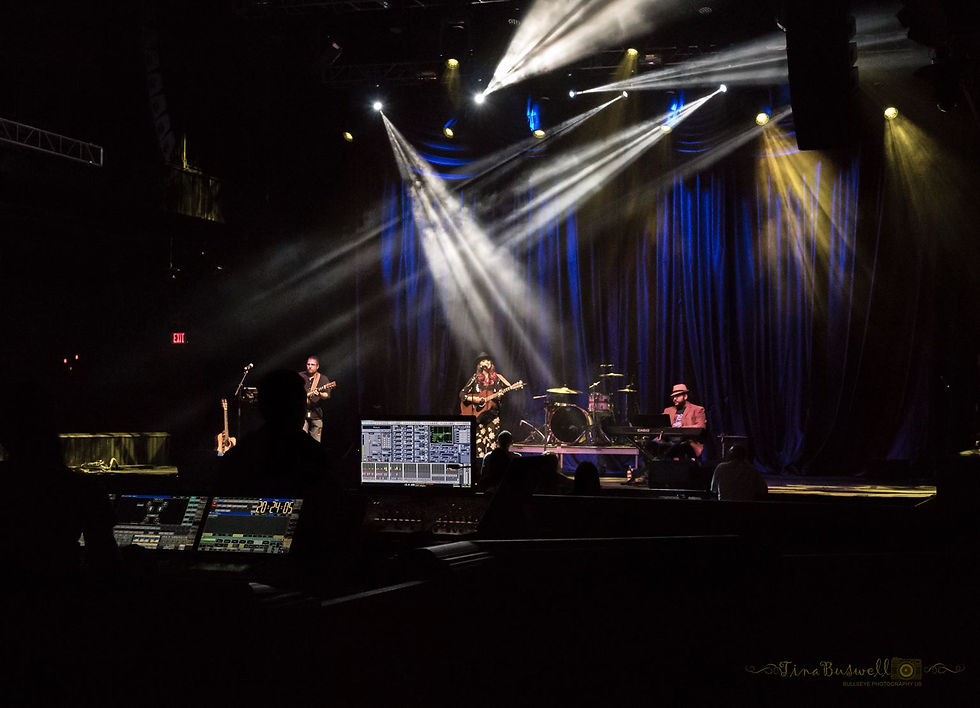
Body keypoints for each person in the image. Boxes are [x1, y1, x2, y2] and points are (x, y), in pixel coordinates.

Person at [460, 353, 515, 458]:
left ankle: (491, 464)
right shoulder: (475, 378)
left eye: (488, 361)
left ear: (491, 363)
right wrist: (475, 399)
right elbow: (462, 394)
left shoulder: (498, 378)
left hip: (492, 416)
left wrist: (500, 395)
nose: (486, 363)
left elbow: (501, 397)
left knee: (491, 444)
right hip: (479, 417)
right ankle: (480, 465)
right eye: (483, 361)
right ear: (479, 365)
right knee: (479, 444)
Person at [660, 383, 707, 460]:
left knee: (680, 446)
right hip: (669, 440)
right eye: (673, 397)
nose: (674, 399)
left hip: (686, 441)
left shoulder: (697, 409)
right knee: (652, 444)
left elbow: (701, 426)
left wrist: (681, 428)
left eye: (677, 396)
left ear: (685, 396)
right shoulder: (668, 410)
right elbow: (661, 425)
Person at [299, 355, 333, 443]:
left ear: (317, 366)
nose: (310, 366)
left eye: (312, 364)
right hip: (301, 414)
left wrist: (320, 394)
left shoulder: (323, 378)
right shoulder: (300, 376)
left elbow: (327, 395)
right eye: (308, 364)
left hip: (316, 414)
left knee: (315, 443)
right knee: (301, 441)